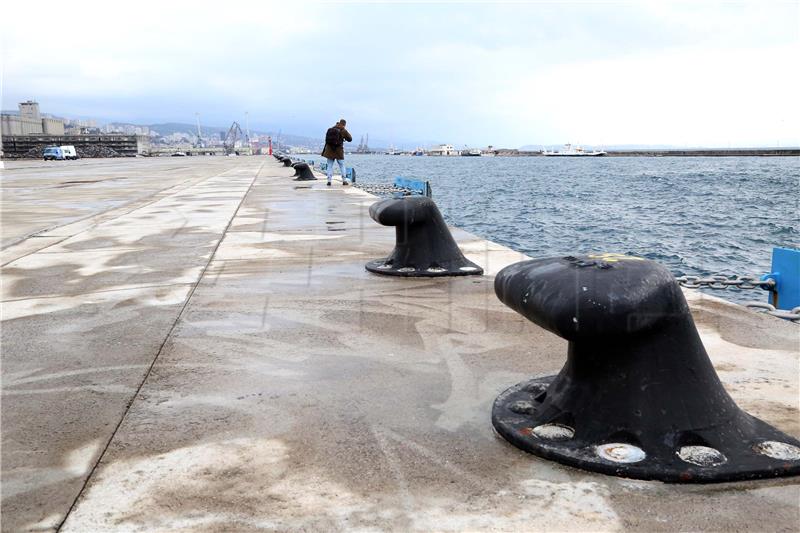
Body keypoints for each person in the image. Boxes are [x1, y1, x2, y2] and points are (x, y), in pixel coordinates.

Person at [321, 119, 353, 186]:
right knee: (342, 166)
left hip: (329, 151)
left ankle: (329, 181)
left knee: (329, 166)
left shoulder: (331, 129)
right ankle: (344, 181)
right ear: (344, 124)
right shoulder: (343, 130)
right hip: (339, 151)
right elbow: (350, 139)